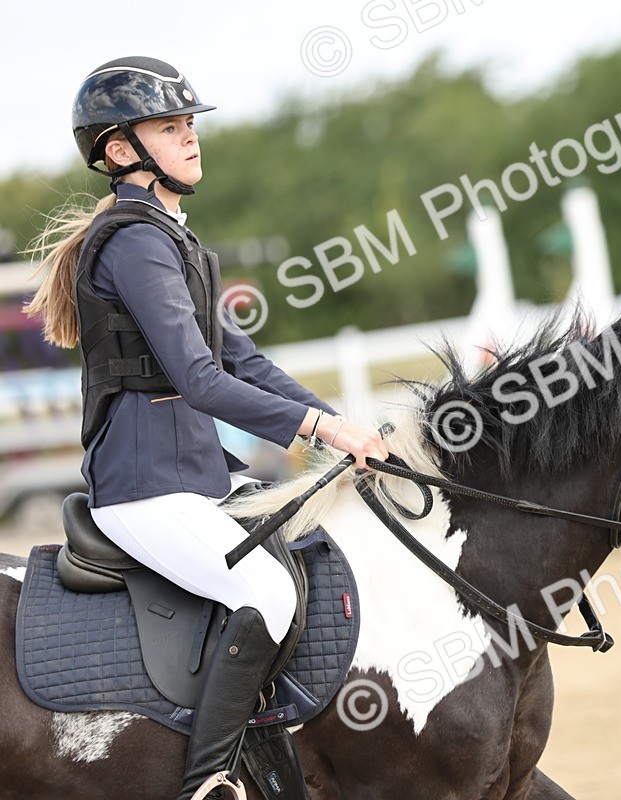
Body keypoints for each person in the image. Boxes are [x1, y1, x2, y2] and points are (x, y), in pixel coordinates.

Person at [22, 56, 390, 800]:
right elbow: (200, 379)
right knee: (267, 595)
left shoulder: (174, 239)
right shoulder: (133, 243)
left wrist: (342, 425)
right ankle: (209, 780)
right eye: (170, 127)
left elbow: (244, 359)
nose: (191, 139)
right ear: (121, 150)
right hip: (143, 490)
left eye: (190, 124)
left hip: (198, 478)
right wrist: (319, 428)